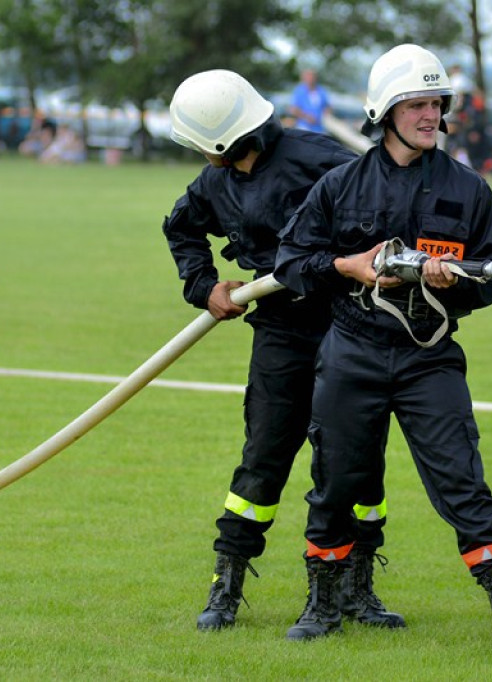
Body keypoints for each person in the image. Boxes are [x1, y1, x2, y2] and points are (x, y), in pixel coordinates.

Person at [274, 44, 492, 653]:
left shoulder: (470, 190)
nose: (428, 114)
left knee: (463, 483)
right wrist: (349, 265)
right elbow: (291, 262)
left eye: (436, 103)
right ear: (384, 111)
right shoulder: (339, 185)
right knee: (335, 481)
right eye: (415, 103)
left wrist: (457, 281)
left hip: (430, 359)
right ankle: (324, 601)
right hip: (352, 352)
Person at [163, 69, 404, 632]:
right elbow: (181, 230)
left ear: (218, 141)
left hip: (348, 323)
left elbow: (382, 201)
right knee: (265, 454)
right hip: (279, 331)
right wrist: (205, 286)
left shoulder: (316, 157)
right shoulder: (212, 185)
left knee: (353, 458)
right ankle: (227, 585)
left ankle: (354, 588)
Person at [289, 68, 331, 133]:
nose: (310, 79)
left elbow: (327, 106)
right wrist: (306, 117)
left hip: (319, 128)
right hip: (304, 127)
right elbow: (293, 109)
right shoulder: (299, 91)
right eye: (308, 77)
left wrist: (326, 114)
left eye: (312, 77)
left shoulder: (322, 91)